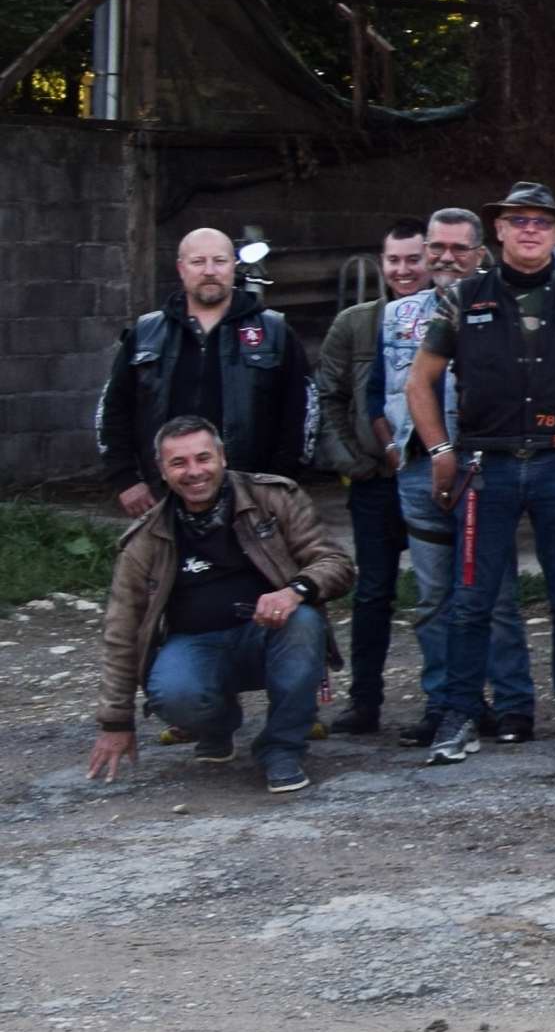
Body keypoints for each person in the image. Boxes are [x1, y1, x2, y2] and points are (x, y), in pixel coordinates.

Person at [403, 182, 555, 767]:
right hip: (489, 465)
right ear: (498, 231)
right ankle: (458, 716)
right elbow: (418, 382)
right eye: (518, 220)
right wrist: (439, 451)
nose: (531, 229)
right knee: (472, 599)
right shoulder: (463, 299)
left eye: (543, 222)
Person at [87, 420, 350, 795]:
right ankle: (218, 724)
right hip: (195, 645)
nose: (194, 472)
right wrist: (115, 722)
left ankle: (281, 748)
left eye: (203, 458)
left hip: (271, 637)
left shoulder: (274, 498)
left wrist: (294, 591)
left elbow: (336, 564)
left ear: (222, 458)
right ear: (162, 471)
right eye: (178, 463)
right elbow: (121, 629)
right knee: (173, 692)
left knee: (304, 622)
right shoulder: (146, 537)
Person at [381, 207, 497, 745]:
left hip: (485, 467)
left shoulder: (501, 306)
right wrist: (394, 447)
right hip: (419, 470)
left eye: (458, 248)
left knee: (490, 595)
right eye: (437, 247)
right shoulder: (398, 315)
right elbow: (386, 390)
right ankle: (444, 701)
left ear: (478, 252)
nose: (446, 258)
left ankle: (505, 703)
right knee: (431, 597)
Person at [100, 226, 314, 516]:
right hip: (162, 497)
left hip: (250, 499)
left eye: (219, 261)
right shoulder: (145, 333)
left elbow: (302, 415)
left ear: (233, 266)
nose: (209, 271)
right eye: (198, 262)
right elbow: (113, 410)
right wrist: (125, 479)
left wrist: (278, 484)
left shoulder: (274, 332)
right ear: (181, 268)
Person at [310, 222, 420, 737]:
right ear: (382, 262)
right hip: (376, 482)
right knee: (374, 592)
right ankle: (366, 701)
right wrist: (356, 462)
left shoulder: (453, 316)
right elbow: (328, 397)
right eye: (394, 260)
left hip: (437, 480)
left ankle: (456, 701)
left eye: (413, 259)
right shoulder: (355, 325)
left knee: (448, 593)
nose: (404, 270)